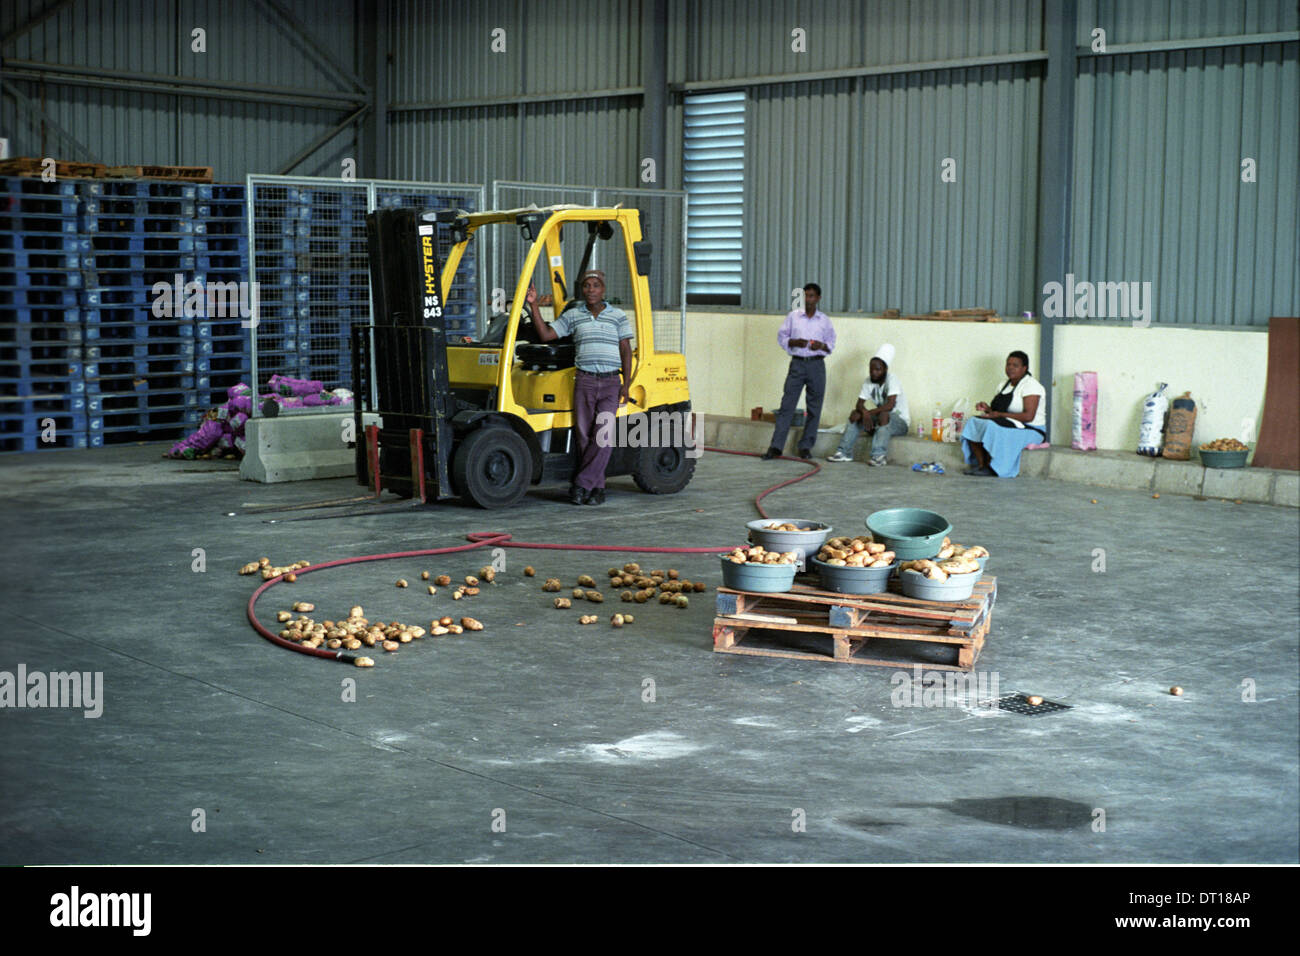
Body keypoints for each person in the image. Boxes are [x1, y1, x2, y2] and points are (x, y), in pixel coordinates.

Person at [528, 269, 633, 505]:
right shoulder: (574, 316)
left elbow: (625, 350)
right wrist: (534, 306)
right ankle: (597, 489)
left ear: (603, 289)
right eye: (587, 286)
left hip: (609, 382)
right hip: (584, 381)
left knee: (603, 436)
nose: (591, 290)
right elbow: (546, 335)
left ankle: (581, 485)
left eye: (596, 285)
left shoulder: (617, 316)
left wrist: (626, 384)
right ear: (582, 290)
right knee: (584, 437)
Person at [762, 282, 835, 460]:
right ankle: (776, 447)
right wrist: (794, 342)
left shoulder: (824, 321)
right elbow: (782, 337)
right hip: (797, 364)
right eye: (805, 296)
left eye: (811, 296)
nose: (808, 300)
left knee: (814, 408)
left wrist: (821, 346)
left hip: (817, 365)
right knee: (787, 405)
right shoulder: (793, 317)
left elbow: (831, 344)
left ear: (818, 298)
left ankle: (805, 447)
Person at [960, 350, 1046, 477]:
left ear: (1024, 368)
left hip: (1031, 429)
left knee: (992, 427)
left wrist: (999, 415)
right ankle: (981, 465)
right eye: (1008, 364)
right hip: (1009, 422)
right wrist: (988, 409)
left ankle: (993, 466)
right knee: (974, 421)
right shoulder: (1003, 384)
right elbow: (998, 412)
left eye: (1015, 365)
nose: (1010, 368)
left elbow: (1028, 416)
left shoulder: (1031, 386)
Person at [826, 344, 908, 466]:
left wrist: (868, 413)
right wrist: (863, 413)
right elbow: (859, 404)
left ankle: (878, 456)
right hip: (880, 420)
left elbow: (890, 405)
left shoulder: (892, 379)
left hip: (900, 423)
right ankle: (844, 453)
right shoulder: (868, 381)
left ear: (885, 370)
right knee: (855, 414)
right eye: (871, 369)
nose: (873, 373)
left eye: (877, 369)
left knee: (884, 414)